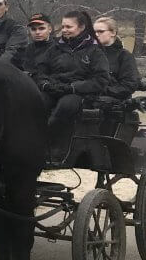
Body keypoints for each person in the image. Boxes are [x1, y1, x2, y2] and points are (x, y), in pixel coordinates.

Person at [35, 10, 110, 162]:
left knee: (65, 106)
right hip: (55, 89)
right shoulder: (55, 48)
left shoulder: (94, 50)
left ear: (81, 27)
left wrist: (73, 87)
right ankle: (30, 142)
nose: (64, 30)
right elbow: (42, 70)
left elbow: (101, 80)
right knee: (37, 102)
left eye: (69, 27)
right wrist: (45, 84)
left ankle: (54, 147)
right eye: (63, 27)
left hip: (81, 94)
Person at [93, 17, 142, 101]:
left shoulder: (124, 56)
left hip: (114, 105)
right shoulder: (88, 54)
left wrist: (101, 90)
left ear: (113, 32)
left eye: (100, 31)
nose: (96, 34)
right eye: (94, 32)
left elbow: (129, 85)